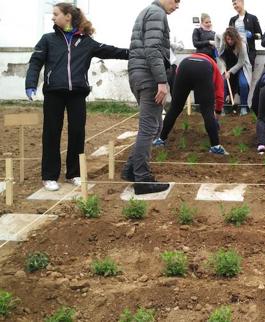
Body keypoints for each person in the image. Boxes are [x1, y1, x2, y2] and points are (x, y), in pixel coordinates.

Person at [25, 2, 129, 192]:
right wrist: (30, 84)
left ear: (68, 16)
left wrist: (136, 53)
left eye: (56, 14)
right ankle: (49, 176)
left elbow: (112, 51)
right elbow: (35, 63)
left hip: (77, 94)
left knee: (77, 133)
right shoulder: (47, 39)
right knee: (51, 134)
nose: (52, 17)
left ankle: (74, 173)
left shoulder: (86, 41)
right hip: (54, 93)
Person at [121, 0, 179, 195]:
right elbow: (153, 49)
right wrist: (162, 81)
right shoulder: (157, 13)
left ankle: (131, 169)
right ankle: (142, 179)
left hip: (140, 75)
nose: (177, 5)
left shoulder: (147, 12)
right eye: (176, 0)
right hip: (149, 77)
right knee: (149, 128)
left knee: (155, 126)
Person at [153, 53, 228, 155]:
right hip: (203, 69)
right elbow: (219, 95)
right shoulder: (214, 67)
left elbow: (178, 74)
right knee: (207, 111)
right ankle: (216, 147)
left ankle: (161, 140)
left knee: (175, 108)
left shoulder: (187, 60)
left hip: (184, 66)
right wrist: (218, 112)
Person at [217, 27, 252, 116]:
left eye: (232, 39)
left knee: (243, 83)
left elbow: (241, 62)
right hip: (227, 65)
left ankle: (243, 106)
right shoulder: (224, 42)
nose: (230, 41)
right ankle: (223, 107)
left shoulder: (242, 45)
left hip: (241, 67)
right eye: (228, 39)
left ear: (236, 38)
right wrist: (224, 68)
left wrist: (230, 72)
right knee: (223, 83)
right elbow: (220, 56)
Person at [229, 0, 262, 69]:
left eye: (235, 3)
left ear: (241, 2)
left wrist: (252, 35)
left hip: (249, 52)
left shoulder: (253, 18)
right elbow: (228, 35)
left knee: (248, 75)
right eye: (233, 5)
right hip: (236, 52)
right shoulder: (232, 20)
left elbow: (260, 35)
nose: (234, 6)